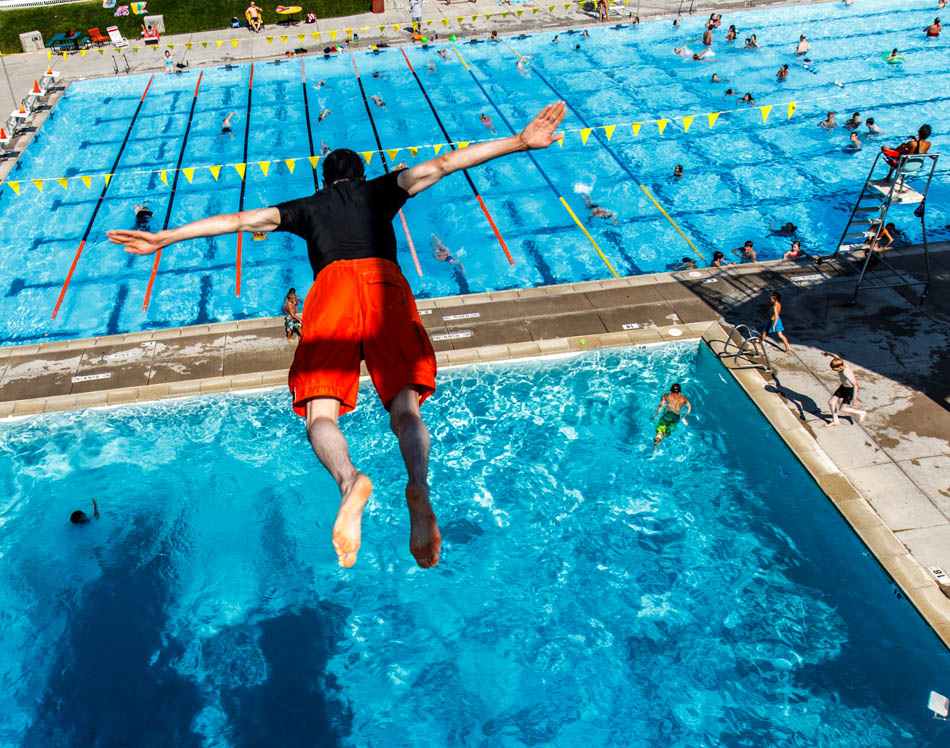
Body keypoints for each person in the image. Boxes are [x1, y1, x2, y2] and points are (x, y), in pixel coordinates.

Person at [106, 100, 568, 570]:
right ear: (361, 175)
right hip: (385, 286)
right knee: (405, 407)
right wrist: (519, 141)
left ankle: (350, 483)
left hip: (331, 293)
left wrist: (164, 238)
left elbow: (239, 221)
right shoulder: (385, 189)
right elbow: (447, 163)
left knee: (319, 412)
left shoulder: (306, 208)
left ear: (325, 181)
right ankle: (418, 487)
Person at [823, 353, 867, 425]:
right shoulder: (840, 362)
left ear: (840, 367)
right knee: (831, 402)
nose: (833, 370)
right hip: (843, 387)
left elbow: (855, 385)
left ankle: (861, 413)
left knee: (842, 409)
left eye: (834, 369)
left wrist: (854, 398)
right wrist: (827, 354)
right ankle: (835, 421)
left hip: (850, 390)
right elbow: (836, 356)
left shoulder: (846, 373)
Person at [653, 383, 692, 450]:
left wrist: (656, 414)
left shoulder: (666, 396)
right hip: (675, 417)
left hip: (667, 415)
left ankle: (659, 437)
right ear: (680, 390)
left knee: (660, 430)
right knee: (667, 433)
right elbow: (689, 408)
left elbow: (661, 406)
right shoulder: (684, 398)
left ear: (671, 390)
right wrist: (683, 418)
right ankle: (663, 436)